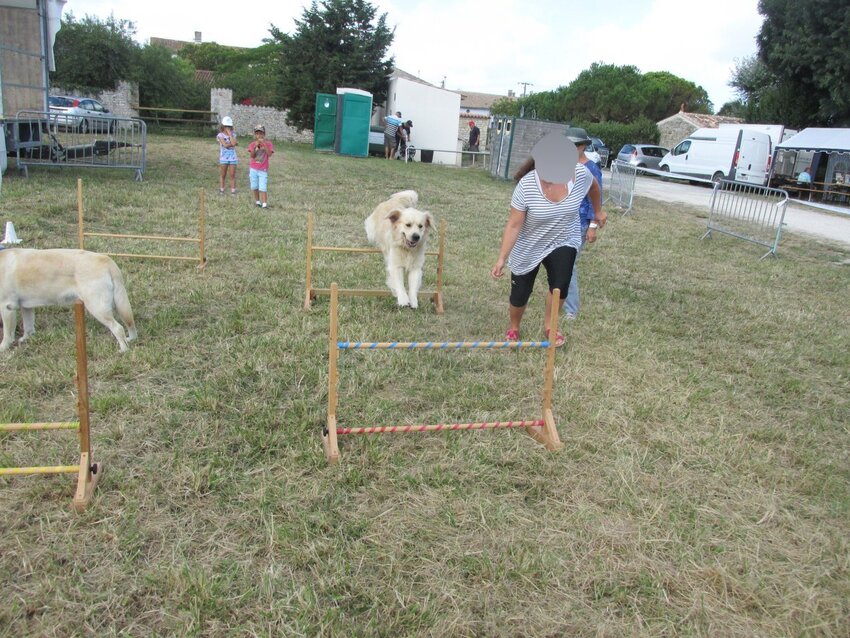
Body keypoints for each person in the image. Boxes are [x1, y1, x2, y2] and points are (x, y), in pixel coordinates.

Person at [490, 132, 605, 347]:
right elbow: (514, 224)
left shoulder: (580, 174)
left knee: (560, 283)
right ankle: (514, 327)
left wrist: (598, 212)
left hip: (564, 238)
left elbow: (594, 188)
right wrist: (501, 258)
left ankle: (551, 326)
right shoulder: (526, 185)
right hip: (530, 242)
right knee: (520, 293)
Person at [563, 127, 604, 319]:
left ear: (581, 146)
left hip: (579, 225)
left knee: (568, 265)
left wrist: (593, 226)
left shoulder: (591, 168)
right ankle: (558, 298)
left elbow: (596, 198)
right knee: (559, 263)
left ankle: (570, 309)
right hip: (561, 222)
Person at [247, 124, 274, 209]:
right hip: (253, 169)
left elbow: (269, 154)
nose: (259, 135)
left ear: (264, 134)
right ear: (255, 135)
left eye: (261, 133)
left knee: (263, 187)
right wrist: (255, 146)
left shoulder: (269, 144)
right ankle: (257, 202)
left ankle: (264, 204)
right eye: (257, 133)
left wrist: (264, 144)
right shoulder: (252, 144)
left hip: (263, 169)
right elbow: (252, 156)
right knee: (254, 186)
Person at [217, 116, 238, 195]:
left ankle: (233, 191)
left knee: (232, 175)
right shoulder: (220, 135)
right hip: (224, 158)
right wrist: (232, 143)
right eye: (226, 126)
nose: (228, 128)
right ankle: (222, 190)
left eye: (229, 126)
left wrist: (230, 135)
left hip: (233, 158)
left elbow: (234, 143)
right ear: (223, 126)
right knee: (223, 174)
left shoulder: (233, 134)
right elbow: (225, 145)